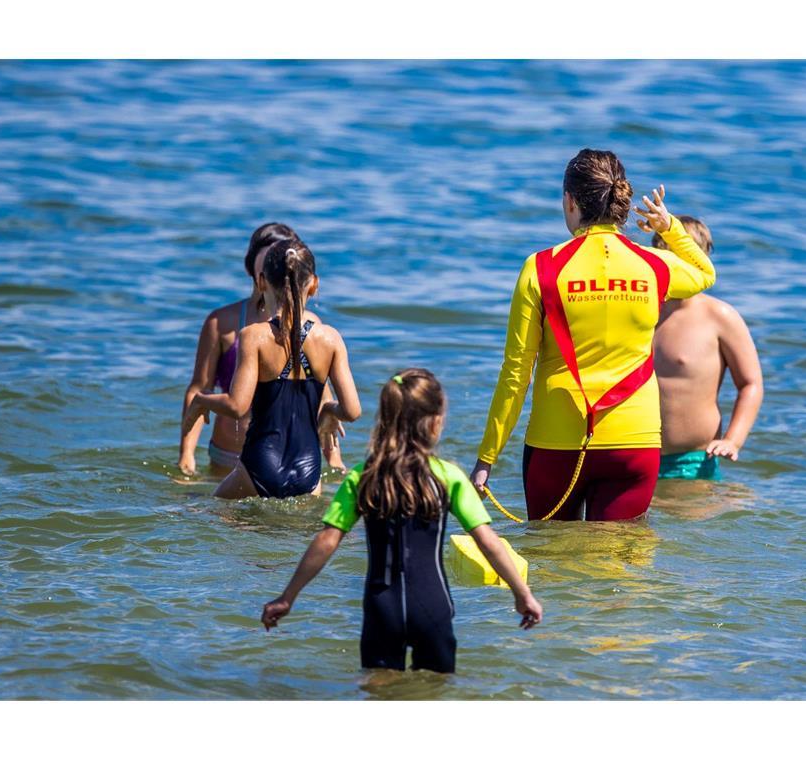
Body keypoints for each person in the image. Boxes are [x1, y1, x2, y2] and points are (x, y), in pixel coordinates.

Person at [470, 149, 716, 521]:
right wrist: (670, 228)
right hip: (634, 443)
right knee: (619, 568)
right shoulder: (653, 266)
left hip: (556, 443)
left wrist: (487, 457)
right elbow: (705, 273)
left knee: (552, 565)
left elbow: (516, 374)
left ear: (570, 201)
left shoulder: (541, 268)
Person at [261, 369, 542, 673]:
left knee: (379, 692)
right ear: (436, 422)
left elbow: (327, 541)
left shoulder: (363, 476)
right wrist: (522, 593)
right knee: (435, 693)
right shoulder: (447, 476)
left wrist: (287, 597)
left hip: (383, 608)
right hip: (432, 606)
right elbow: (487, 542)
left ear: (386, 419)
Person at [184, 240, 361, 499]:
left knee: (208, 513)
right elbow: (353, 411)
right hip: (309, 471)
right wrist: (330, 410)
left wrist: (201, 400)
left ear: (262, 281)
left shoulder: (253, 336)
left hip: (258, 466)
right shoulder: (331, 339)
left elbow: (237, 405)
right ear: (314, 284)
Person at [651, 216, 764, 480]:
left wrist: (733, 440)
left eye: (680, 255)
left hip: (694, 461)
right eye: (664, 254)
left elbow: (751, 384)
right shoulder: (640, 311)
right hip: (633, 454)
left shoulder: (720, 317)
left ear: (701, 259)